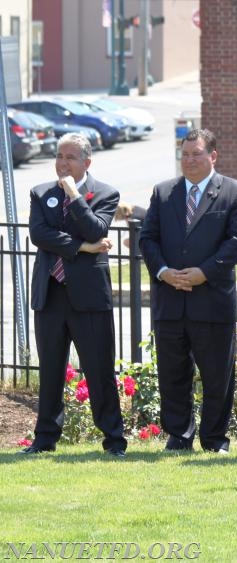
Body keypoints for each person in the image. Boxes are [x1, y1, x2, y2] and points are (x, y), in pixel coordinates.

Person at [140, 129, 237, 454]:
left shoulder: (234, 192)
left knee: (217, 377)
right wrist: (163, 272)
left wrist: (204, 273)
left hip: (212, 302)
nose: (189, 160)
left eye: (197, 154)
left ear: (213, 156)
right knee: (172, 375)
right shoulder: (163, 193)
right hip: (170, 301)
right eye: (185, 154)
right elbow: (148, 238)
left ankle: (215, 440)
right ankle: (179, 437)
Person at [21, 133, 127, 457]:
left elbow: (97, 228)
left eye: (69, 157)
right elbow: (39, 235)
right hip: (50, 295)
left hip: (89, 298)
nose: (62, 163)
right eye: (59, 156)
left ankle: (113, 440)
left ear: (87, 162)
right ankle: (44, 440)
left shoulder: (106, 193)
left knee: (99, 369)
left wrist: (73, 194)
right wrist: (81, 247)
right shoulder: (41, 193)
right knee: (51, 371)